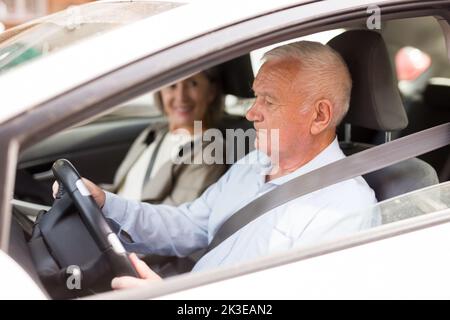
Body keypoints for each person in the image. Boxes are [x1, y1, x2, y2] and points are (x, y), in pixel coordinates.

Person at [55, 41, 379, 290]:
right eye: (255, 97)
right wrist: (107, 205)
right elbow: (188, 225)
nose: (251, 113)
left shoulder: (344, 208)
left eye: (269, 101)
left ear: (319, 116)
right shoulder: (254, 163)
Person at [110, 68, 227, 205]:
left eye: (192, 84)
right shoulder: (154, 132)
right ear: (160, 92)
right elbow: (121, 189)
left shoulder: (210, 150)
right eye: (172, 85)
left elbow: (172, 219)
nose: (181, 97)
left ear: (211, 92)